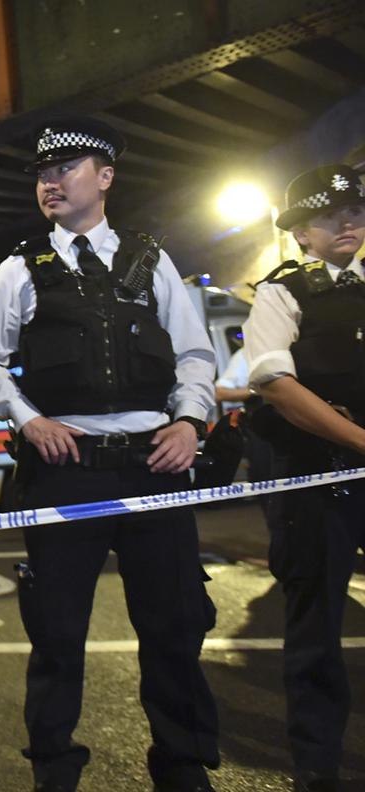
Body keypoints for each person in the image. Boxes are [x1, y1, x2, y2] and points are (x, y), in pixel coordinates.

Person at [0, 116, 220, 792]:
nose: (49, 181)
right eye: (43, 173)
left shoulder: (151, 259)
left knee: (175, 625)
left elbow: (195, 356)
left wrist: (191, 421)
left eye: (65, 169)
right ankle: (54, 768)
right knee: (56, 632)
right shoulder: (21, 266)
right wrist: (28, 419)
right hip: (65, 466)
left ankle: (183, 762)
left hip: (153, 462)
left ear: (105, 177)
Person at [242, 164, 365, 792]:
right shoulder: (283, 292)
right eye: (327, 215)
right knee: (315, 625)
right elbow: (277, 386)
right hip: (319, 477)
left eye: (354, 211)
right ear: (300, 234)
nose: (346, 223)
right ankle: (316, 762)